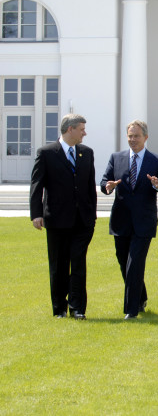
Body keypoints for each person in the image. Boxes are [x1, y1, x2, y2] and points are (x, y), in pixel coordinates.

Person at [101, 120, 158, 319]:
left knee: (135, 264)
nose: (132, 139)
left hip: (144, 222)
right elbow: (104, 181)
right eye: (130, 136)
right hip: (121, 220)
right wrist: (107, 186)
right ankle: (140, 296)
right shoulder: (116, 158)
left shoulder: (157, 161)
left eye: (137, 136)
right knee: (123, 262)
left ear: (145, 137)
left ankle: (131, 310)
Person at [30, 114, 96, 319]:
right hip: (57, 219)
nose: (85, 133)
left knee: (78, 263)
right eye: (82, 129)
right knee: (58, 265)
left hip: (82, 220)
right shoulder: (47, 153)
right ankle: (59, 308)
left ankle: (78, 308)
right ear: (70, 130)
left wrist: (92, 213)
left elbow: (89, 186)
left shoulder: (86, 153)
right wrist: (36, 214)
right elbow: (37, 185)